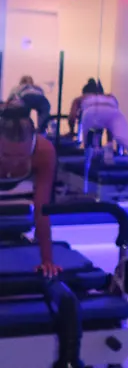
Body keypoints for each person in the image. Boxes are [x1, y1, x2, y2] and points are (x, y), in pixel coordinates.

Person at [0, 105, 60, 275]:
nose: (13, 163)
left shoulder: (44, 151)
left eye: (21, 157)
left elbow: (42, 209)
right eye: (7, 155)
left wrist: (47, 260)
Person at [75, 84, 128, 163]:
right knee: (120, 134)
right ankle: (127, 148)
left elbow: (71, 117)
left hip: (91, 111)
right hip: (113, 111)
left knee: (90, 134)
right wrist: (110, 141)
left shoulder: (83, 97)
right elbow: (111, 123)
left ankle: (94, 152)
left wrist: (71, 131)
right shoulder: (110, 97)